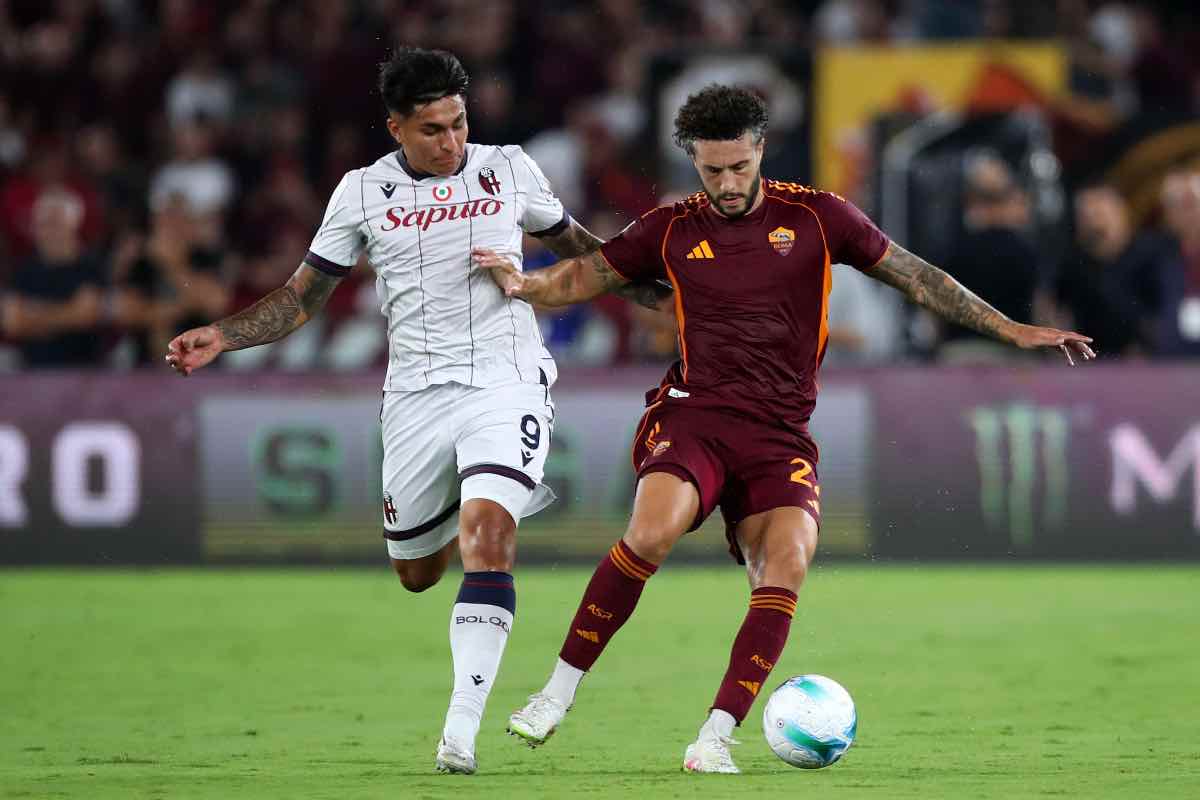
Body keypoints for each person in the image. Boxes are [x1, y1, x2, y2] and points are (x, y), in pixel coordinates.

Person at [472, 84, 1094, 774]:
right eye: (713, 170)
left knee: (789, 562)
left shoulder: (819, 217)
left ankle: (714, 737)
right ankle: (555, 695)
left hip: (780, 436)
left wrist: (1011, 329)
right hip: (696, 415)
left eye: (739, 167)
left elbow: (916, 277)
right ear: (694, 163)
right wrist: (524, 283)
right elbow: (587, 274)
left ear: (761, 150)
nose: (728, 183)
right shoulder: (672, 226)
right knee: (651, 532)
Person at [164, 47, 665, 776]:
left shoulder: (510, 168)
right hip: (416, 399)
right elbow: (304, 297)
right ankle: (469, 497)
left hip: (508, 380)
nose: (451, 142)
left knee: (489, 534)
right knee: (417, 574)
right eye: (432, 129)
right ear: (396, 126)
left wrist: (671, 298)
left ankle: (459, 732)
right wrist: (225, 335)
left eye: (459, 123)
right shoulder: (361, 193)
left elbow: (589, 254)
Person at [2, 189, 108, 368]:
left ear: (73, 223)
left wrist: (34, 315)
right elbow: (12, 322)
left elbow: (85, 316)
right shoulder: (24, 270)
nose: (46, 230)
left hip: (85, 372)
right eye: (41, 223)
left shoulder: (91, 267)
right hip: (32, 374)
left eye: (54, 222)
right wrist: (65, 314)